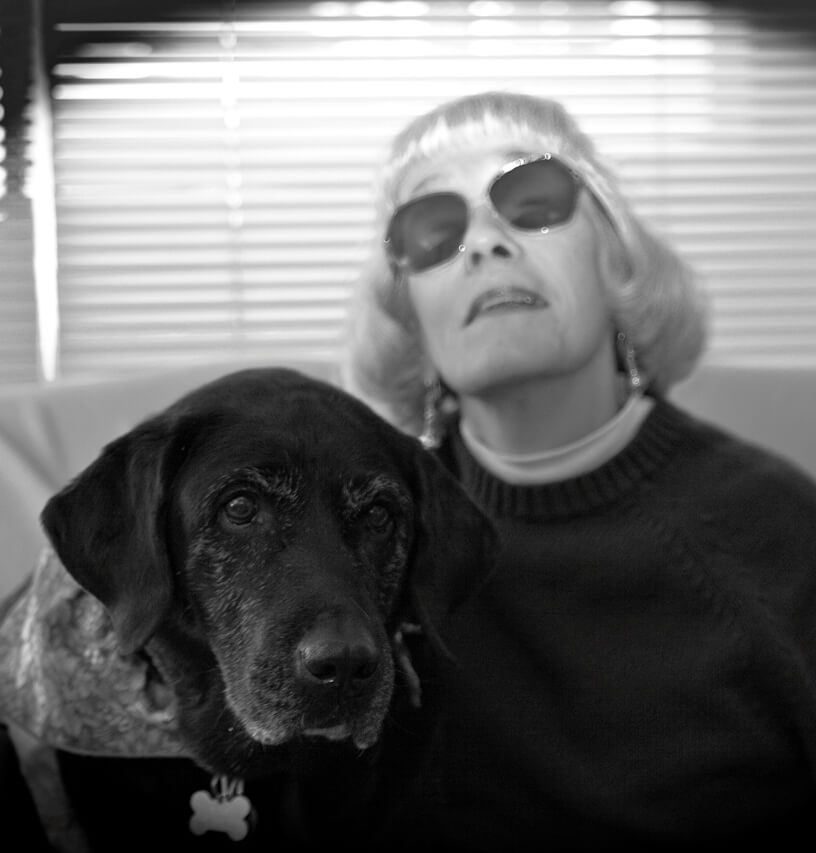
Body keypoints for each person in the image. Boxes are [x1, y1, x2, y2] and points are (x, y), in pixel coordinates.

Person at [343, 90, 816, 850]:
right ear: (411, 321)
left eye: (532, 201)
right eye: (433, 230)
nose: (483, 244)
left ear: (616, 263)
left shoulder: (782, 535)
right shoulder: (361, 548)